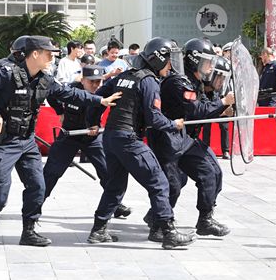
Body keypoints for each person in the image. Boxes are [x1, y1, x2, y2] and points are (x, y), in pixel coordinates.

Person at [0, 36, 122, 248]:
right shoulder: (5, 73)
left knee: (38, 186)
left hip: (28, 141)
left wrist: (100, 100)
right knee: (0, 188)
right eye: (49, 54)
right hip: (4, 142)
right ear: (35, 54)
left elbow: (70, 94)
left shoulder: (45, 79)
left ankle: (29, 231)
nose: (52, 58)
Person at [87, 37, 195, 249]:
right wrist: (173, 124)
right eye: (169, 61)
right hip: (129, 139)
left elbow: (98, 99)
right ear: (158, 59)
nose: (171, 66)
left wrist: (93, 122)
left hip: (110, 138)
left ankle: (98, 230)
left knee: (115, 186)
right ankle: (168, 233)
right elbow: (154, 118)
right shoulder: (149, 81)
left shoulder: (123, 76)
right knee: (160, 183)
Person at [146, 37, 234, 241]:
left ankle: (205, 220)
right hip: (166, 138)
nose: (211, 66)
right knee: (173, 185)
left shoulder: (197, 82)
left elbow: (206, 107)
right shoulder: (179, 81)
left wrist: (222, 108)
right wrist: (223, 102)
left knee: (210, 173)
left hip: (185, 138)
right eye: (208, 61)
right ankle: (158, 226)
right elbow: (196, 110)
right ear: (195, 60)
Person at [41, 65, 131, 217]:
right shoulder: (70, 90)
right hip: (69, 136)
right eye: (91, 82)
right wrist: (60, 112)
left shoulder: (105, 93)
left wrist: (96, 125)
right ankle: (34, 205)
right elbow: (51, 95)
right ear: (82, 80)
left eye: (98, 82)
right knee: (51, 172)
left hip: (92, 138)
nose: (95, 85)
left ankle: (114, 205)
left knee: (108, 172)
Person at [201, 56, 231, 159]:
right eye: (219, 77)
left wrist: (225, 111)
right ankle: (205, 148)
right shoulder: (199, 89)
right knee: (206, 126)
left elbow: (212, 110)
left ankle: (225, 150)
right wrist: (224, 105)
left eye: (224, 78)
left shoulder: (213, 91)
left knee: (224, 124)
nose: (222, 81)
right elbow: (205, 112)